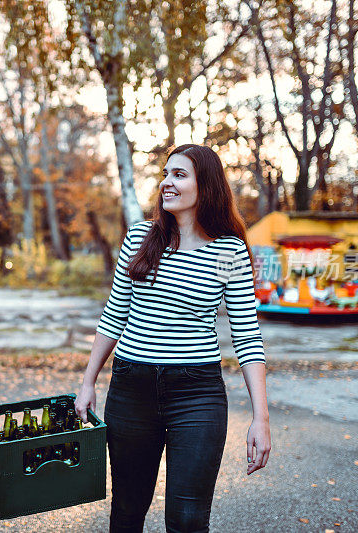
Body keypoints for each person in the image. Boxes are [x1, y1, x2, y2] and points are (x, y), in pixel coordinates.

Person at [75, 144, 271, 533]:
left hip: (197, 394)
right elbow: (114, 315)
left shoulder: (229, 249)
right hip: (132, 390)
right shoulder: (139, 238)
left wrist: (261, 418)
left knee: (187, 520)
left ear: (207, 186)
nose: (166, 182)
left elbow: (247, 334)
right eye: (166, 173)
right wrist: (87, 382)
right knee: (128, 511)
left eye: (179, 175)